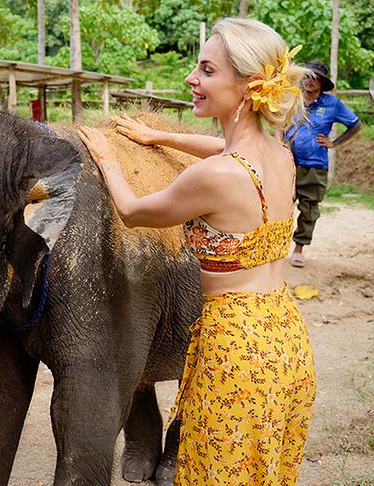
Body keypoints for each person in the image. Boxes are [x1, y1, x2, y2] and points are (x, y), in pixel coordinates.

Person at [79, 18, 316, 484]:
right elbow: (224, 148)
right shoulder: (280, 153)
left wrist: (107, 157)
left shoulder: (213, 176)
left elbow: (131, 211)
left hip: (236, 352)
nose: (192, 78)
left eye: (207, 70)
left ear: (250, 86)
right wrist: (161, 137)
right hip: (285, 340)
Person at [284, 60, 362, 268]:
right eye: (307, 76)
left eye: (315, 78)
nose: (309, 81)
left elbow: (356, 125)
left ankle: (299, 248)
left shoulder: (332, 104)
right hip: (287, 161)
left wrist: (333, 143)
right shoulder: (293, 98)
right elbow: (280, 123)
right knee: (280, 203)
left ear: (322, 82)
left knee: (309, 207)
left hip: (314, 164)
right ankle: (275, 246)